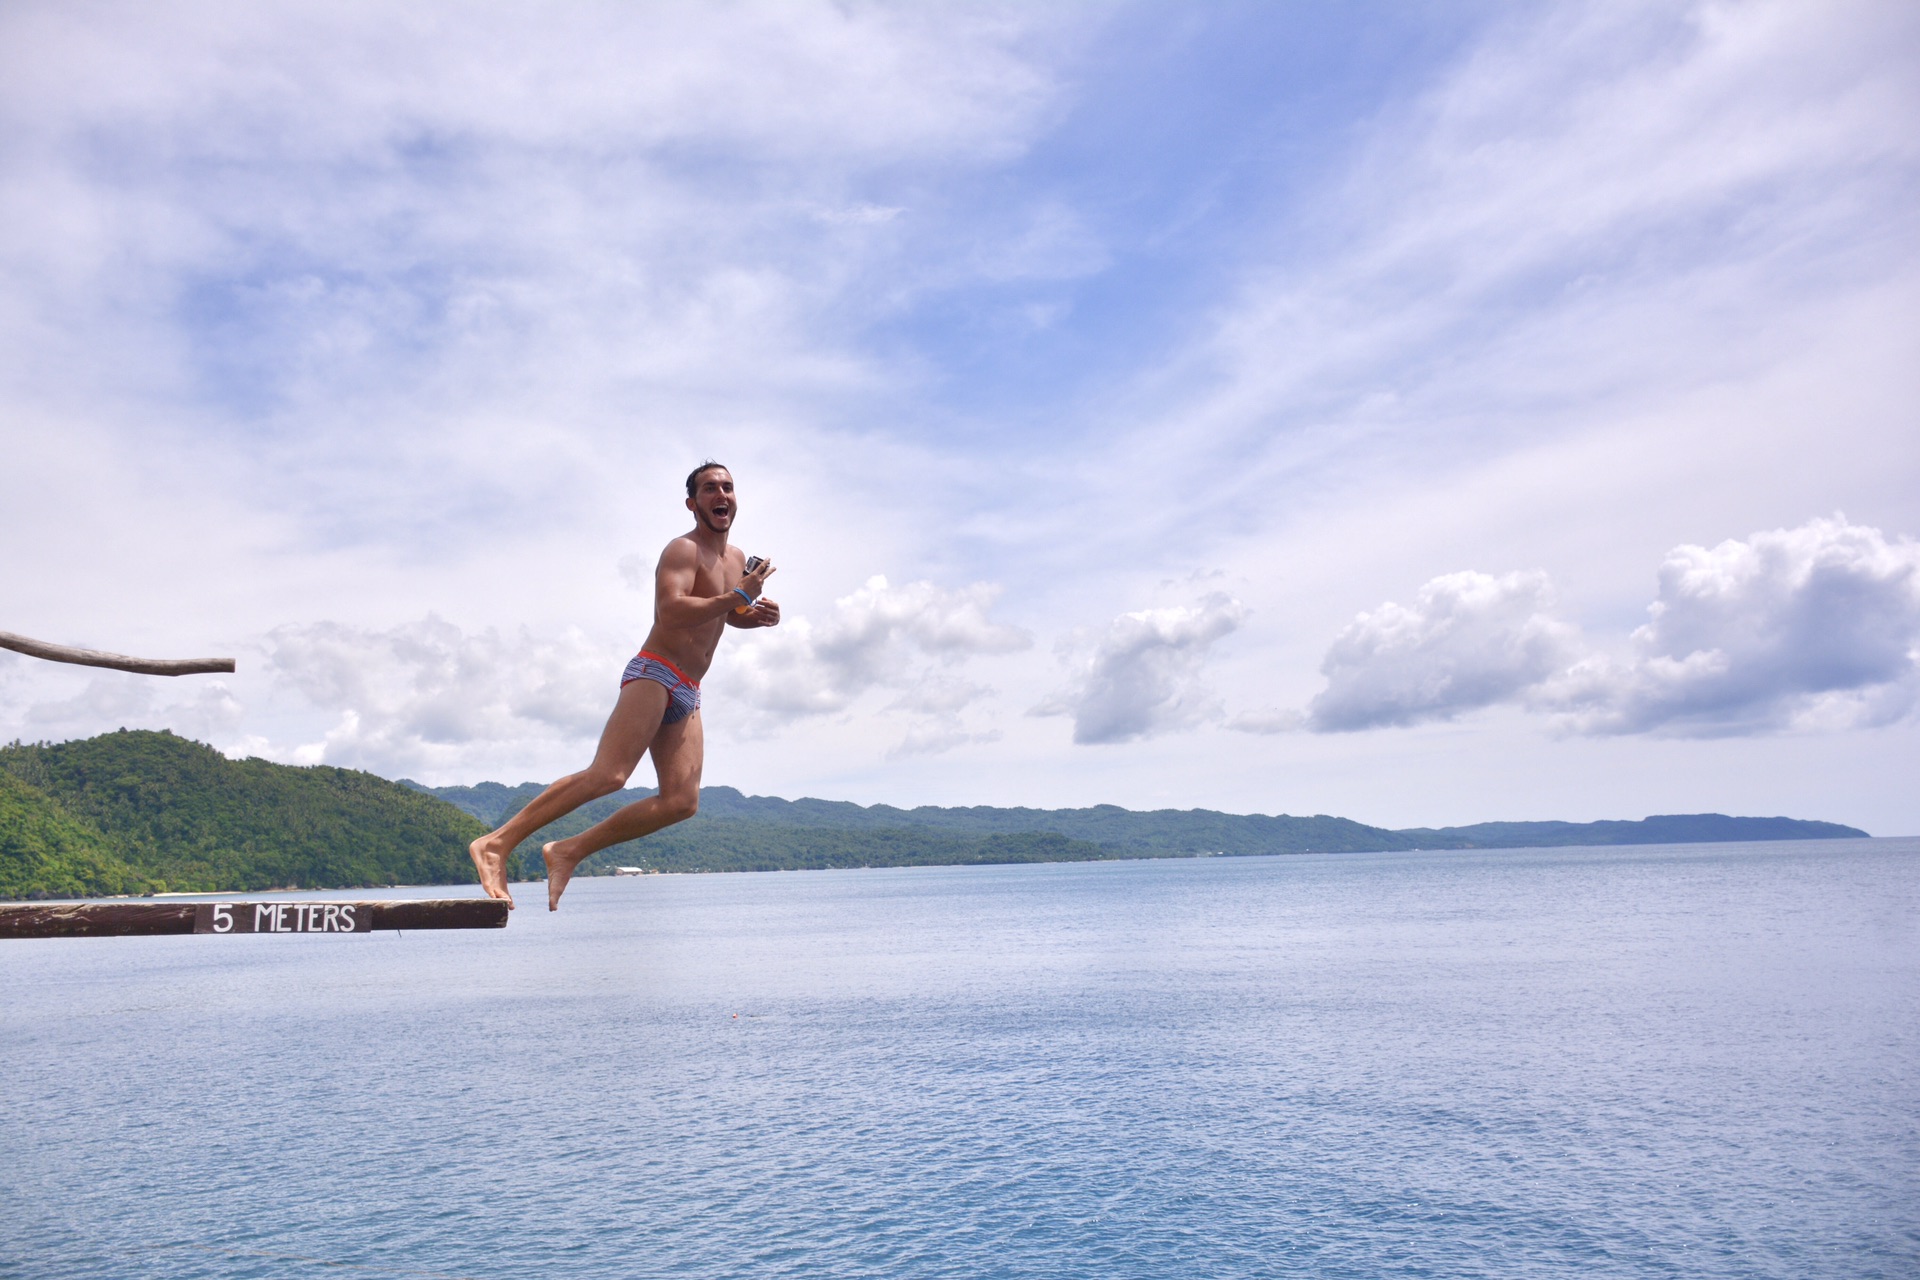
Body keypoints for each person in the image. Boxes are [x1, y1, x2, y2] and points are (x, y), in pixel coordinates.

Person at [467, 461, 780, 910]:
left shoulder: (734, 560)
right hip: (655, 671)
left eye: (728, 487)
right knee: (609, 774)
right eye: (710, 488)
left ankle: (568, 850)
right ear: (693, 504)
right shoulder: (681, 550)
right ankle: (496, 843)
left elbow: (725, 613)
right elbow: (670, 611)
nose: (721, 494)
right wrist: (739, 597)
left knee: (681, 802)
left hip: (689, 689)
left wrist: (755, 615)